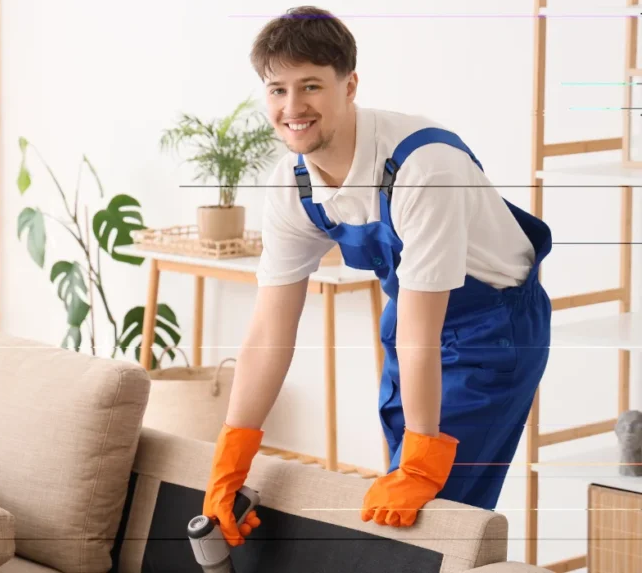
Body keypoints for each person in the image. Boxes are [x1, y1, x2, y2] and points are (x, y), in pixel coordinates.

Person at [202, 5, 552, 546]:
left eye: (311, 86)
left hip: (494, 332)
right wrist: (231, 460)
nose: (292, 107)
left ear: (349, 85)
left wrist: (423, 458)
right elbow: (270, 332)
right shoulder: (290, 184)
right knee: (400, 505)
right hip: (408, 323)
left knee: (435, 519)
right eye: (277, 90)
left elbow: (423, 333)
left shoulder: (423, 167)